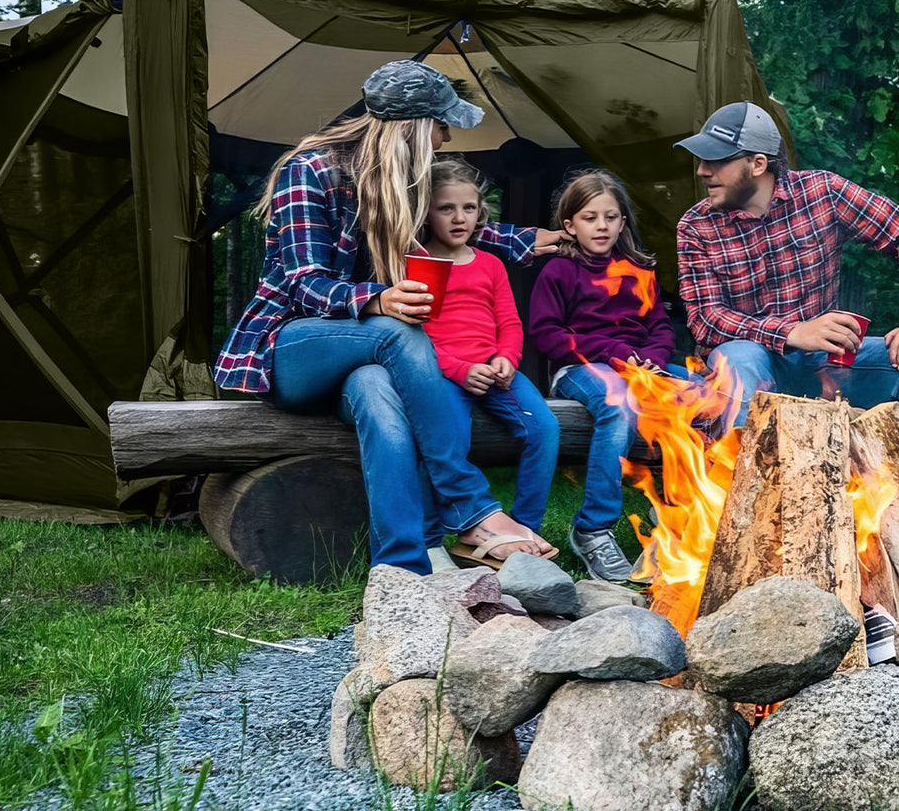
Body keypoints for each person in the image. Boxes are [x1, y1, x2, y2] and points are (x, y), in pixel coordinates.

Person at [213, 59, 567, 575]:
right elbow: (303, 283)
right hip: (293, 346)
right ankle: (470, 508)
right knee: (398, 334)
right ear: (415, 128)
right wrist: (378, 300)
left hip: (367, 353)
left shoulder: (404, 180)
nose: (446, 138)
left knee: (381, 401)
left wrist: (535, 240)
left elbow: (460, 230)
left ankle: (406, 568)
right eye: (442, 125)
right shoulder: (309, 170)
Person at [674, 100, 899, 430]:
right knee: (736, 358)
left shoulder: (824, 192)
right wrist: (793, 331)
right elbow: (705, 320)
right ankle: (737, 475)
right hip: (752, 366)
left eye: (717, 160)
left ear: (757, 163)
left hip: (827, 365)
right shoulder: (696, 226)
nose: (702, 170)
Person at [528, 170, 690, 581]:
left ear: (622, 222)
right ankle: (593, 528)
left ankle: (680, 514)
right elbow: (548, 335)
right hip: (583, 367)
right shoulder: (558, 272)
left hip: (640, 364)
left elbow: (659, 328)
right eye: (590, 218)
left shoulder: (638, 268)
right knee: (618, 405)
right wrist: (616, 355)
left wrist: (652, 359)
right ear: (569, 225)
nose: (601, 226)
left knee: (707, 396)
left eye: (610, 217)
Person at [418, 159, 560, 567]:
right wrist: (459, 370)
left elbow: (510, 322)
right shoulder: (422, 264)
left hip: (496, 372)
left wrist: (506, 358)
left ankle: (523, 529)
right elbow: (416, 337)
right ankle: (437, 536)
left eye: (469, 208)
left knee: (544, 427)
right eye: (446, 208)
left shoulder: (490, 263)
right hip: (445, 375)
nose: (459, 218)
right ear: (427, 212)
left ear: (481, 212)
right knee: (445, 440)